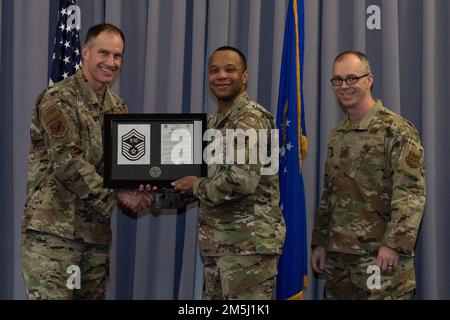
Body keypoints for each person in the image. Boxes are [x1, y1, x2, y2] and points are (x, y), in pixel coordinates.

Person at [21, 23, 151, 300]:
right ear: (86, 52)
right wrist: (118, 197)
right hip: (55, 237)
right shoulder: (57, 98)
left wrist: (144, 186)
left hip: (95, 238)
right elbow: (69, 164)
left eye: (117, 56)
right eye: (104, 53)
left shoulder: (118, 107)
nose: (111, 62)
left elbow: (120, 167)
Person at [170, 46, 286, 299]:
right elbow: (201, 177)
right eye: (214, 70)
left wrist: (195, 185)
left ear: (245, 76)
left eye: (229, 69)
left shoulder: (251, 118)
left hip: (248, 247)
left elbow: (240, 181)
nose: (221, 75)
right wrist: (155, 192)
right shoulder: (213, 124)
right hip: (220, 245)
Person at [310, 50, 426, 299]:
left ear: (369, 80)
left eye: (352, 78)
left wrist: (394, 245)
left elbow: (410, 194)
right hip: (339, 261)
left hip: (380, 259)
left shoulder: (396, 130)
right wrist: (320, 242)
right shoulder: (337, 134)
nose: (344, 86)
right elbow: (329, 194)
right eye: (338, 80)